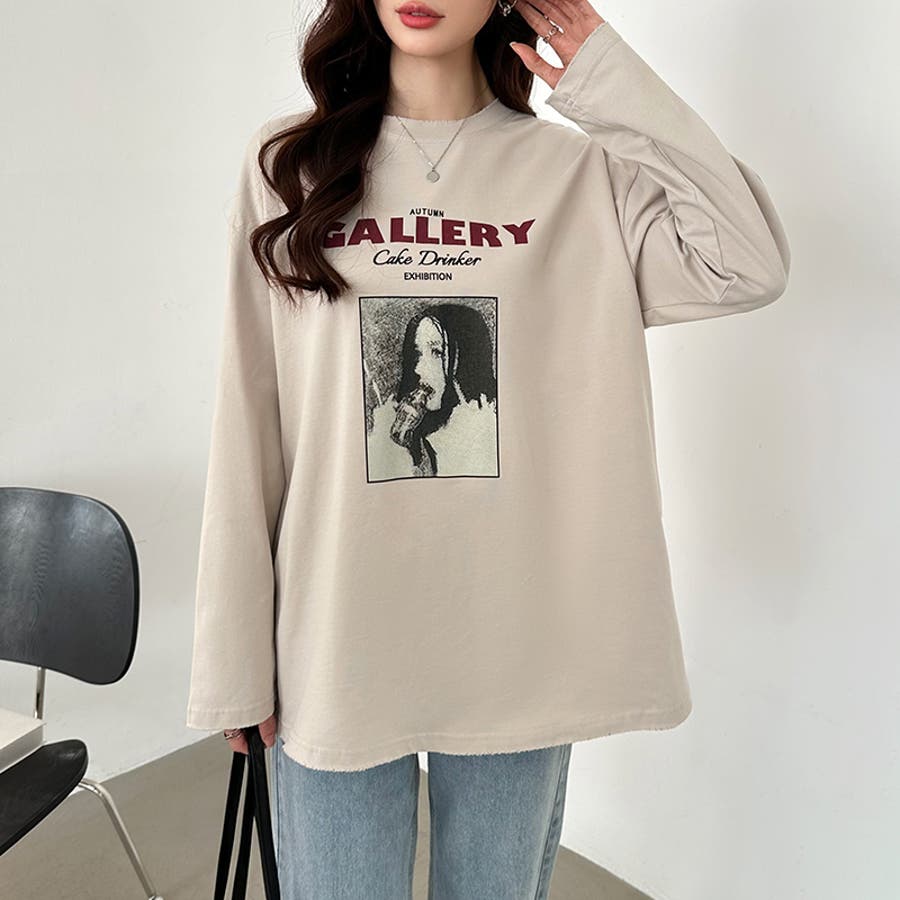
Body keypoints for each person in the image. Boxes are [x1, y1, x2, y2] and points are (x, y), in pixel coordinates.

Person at [186, 0, 791, 897]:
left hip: (521, 642)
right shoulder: (291, 166)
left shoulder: (577, 174)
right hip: (335, 637)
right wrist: (233, 659)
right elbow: (249, 414)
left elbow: (747, 260)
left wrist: (608, 79)